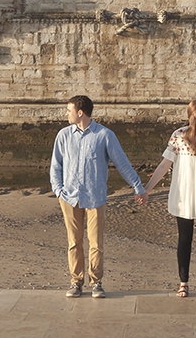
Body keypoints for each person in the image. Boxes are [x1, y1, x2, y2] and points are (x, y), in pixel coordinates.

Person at [49, 93, 146, 298]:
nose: (66, 114)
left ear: (80, 112)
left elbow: (122, 162)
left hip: (95, 197)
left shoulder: (105, 135)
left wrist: (138, 186)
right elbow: (55, 166)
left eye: (69, 110)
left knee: (96, 244)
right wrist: (58, 190)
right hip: (69, 197)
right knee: (74, 242)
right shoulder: (63, 135)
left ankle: (96, 282)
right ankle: (76, 281)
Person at [141, 98, 196, 298]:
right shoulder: (178, 136)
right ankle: (183, 282)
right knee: (184, 239)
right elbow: (164, 165)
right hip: (184, 195)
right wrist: (146, 189)